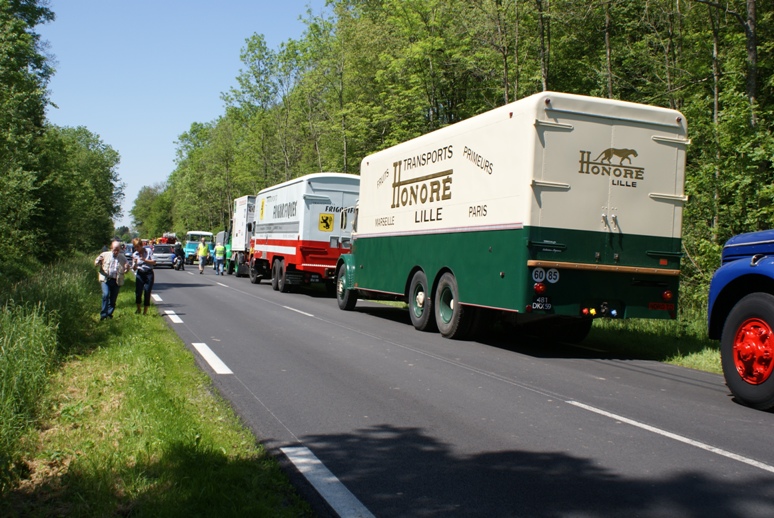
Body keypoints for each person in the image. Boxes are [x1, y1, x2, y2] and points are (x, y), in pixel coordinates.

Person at [95, 240, 130, 320]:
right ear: (111, 248)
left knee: (113, 299)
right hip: (106, 279)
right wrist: (98, 262)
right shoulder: (104, 255)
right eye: (114, 249)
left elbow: (127, 269)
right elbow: (96, 263)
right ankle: (103, 315)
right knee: (106, 295)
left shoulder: (122, 258)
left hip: (116, 281)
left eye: (118, 250)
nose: (116, 252)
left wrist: (126, 268)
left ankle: (109, 314)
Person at [132, 237, 157, 315]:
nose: (136, 249)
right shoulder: (135, 254)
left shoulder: (148, 251)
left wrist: (144, 260)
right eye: (135, 247)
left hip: (149, 273)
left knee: (147, 291)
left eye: (138, 247)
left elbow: (154, 262)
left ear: (141, 245)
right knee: (138, 292)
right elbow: (134, 268)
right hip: (140, 273)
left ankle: (145, 311)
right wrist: (135, 263)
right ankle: (138, 308)